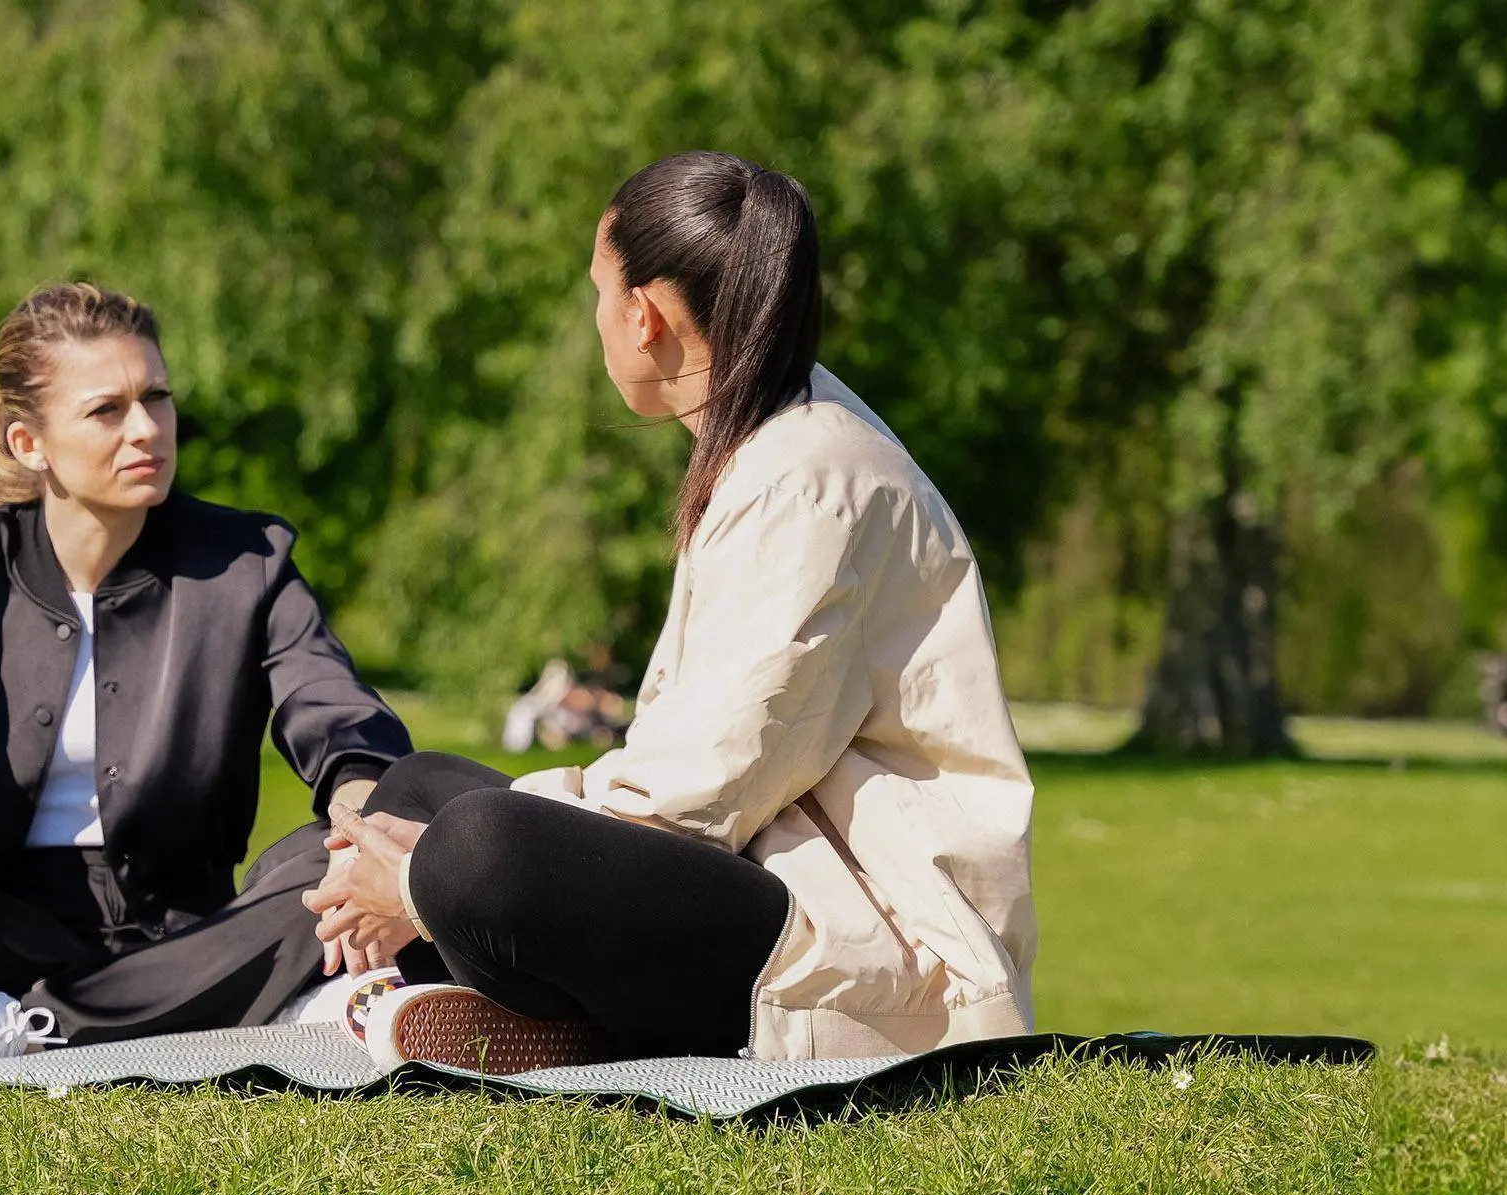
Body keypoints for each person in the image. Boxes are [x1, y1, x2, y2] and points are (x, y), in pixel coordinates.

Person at [303, 151, 1038, 1072]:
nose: (598, 319)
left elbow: (694, 797)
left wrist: (415, 878)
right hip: (753, 875)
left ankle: (513, 1005)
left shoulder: (810, 478)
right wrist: (409, 847)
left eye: (598, 294)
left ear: (642, 315)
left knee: (474, 848)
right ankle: (547, 1022)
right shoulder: (772, 441)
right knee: (415, 792)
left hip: (864, 943)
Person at [0, 282, 411, 1073]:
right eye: (107, 410)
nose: (147, 429)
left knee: (315, 867)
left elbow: (338, 719)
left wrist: (362, 835)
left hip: (189, 932)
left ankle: (17, 1026)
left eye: (157, 398)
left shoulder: (248, 564)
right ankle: (256, 1010)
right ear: (29, 442)